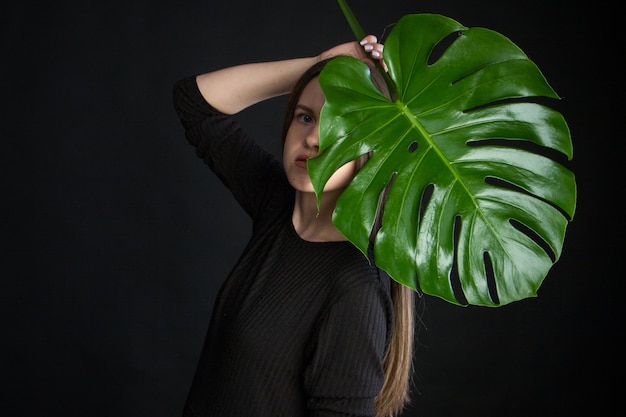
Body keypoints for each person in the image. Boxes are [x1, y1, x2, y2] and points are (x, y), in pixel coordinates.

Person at [172, 34, 417, 417]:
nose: (314, 138)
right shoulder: (278, 205)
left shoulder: (353, 289)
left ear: (375, 148)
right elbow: (195, 103)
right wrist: (317, 65)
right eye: (306, 116)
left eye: (342, 126)